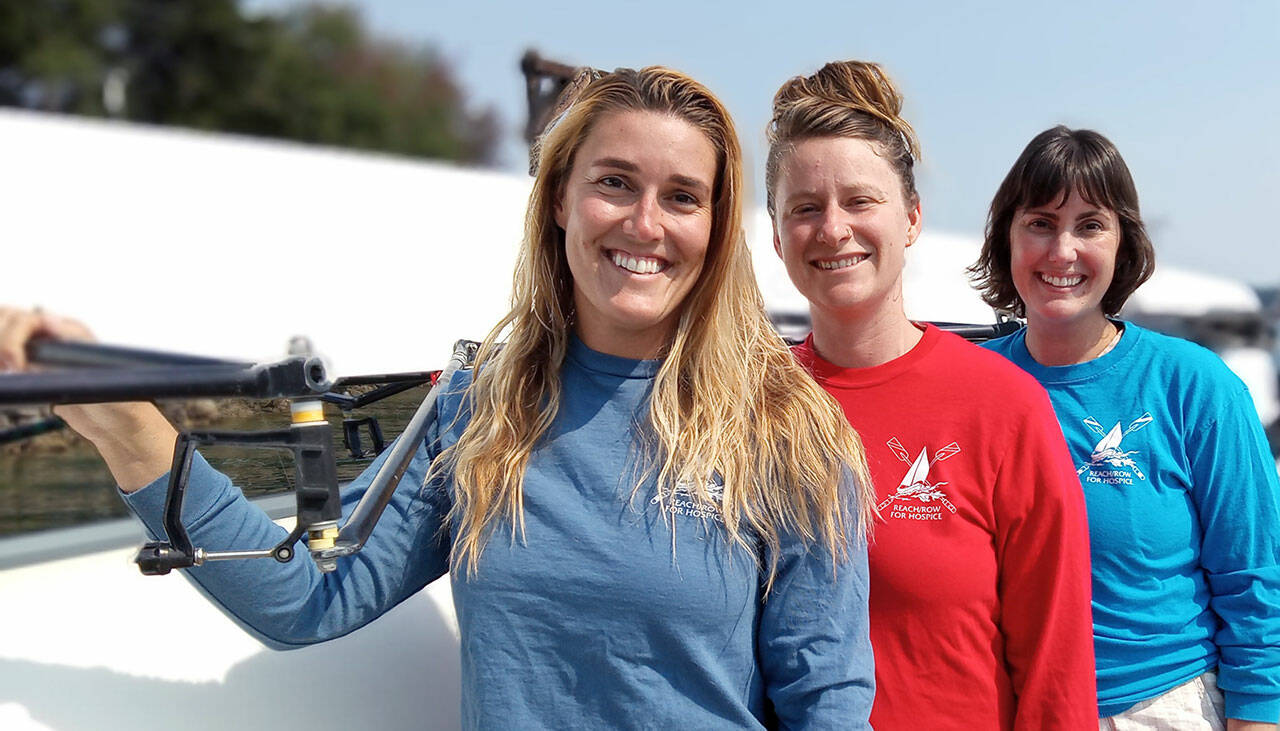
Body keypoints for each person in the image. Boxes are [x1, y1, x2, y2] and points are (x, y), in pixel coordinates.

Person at [0, 67, 878, 729]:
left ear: (717, 229)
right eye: (615, 182)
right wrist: (124, 425)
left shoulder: (788, 431)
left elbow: (827, 695)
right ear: (562, 200)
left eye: (681, 197)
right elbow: (305, 598)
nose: (645, 224)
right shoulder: (478, 408)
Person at [765, 61, 1098, 730]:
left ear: (912, 219)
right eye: (805, 208)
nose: (833, 229)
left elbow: (1056, 666)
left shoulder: (1003, 407)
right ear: (776, 235)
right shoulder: (750, 404)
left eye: (860, 201)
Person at [973, 125, 1280, 731]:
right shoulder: (976, 384)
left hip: (1162, 707)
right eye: (1039, 222)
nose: (1062, 251)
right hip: (1006, 705)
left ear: (1123, 245)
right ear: (1007, 235)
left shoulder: (1196, 386)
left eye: (1090, 225)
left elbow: (1256, 582)